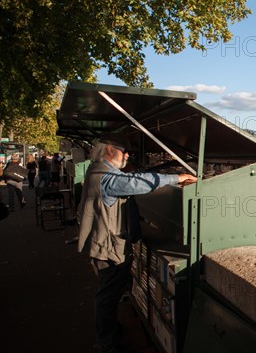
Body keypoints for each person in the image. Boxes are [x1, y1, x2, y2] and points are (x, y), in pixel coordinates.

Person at [77, 133, 197, 353]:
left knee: (107, 294)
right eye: (125, 151)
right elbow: (135, 183)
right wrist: (176, 178)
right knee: (107, 297)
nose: (128, 155)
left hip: (102, 244)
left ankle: (109, 331)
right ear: (110, 150)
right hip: (108, 248)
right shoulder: (106, 177)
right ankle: (107, 342)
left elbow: (130, 179)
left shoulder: (96, 171)